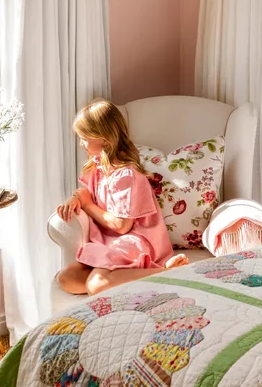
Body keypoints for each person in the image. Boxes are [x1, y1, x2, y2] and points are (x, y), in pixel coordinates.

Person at [56, 99, 188, 296]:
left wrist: (88, 205)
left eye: (84, 138)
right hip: (110, 242)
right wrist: (76, 198)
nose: (82, 143)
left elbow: (121, 225)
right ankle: (128, 279)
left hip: (135, 240)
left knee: (96, 285)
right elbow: (87, 193)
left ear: (104, 139)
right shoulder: (99, 166)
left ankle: (165, 273)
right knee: (66, 278)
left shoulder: (127, 175)